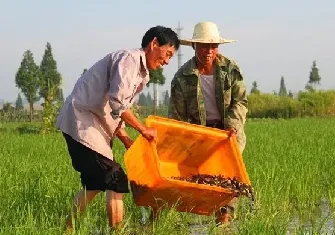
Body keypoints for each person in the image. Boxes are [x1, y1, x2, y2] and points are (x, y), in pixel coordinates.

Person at [56, 25, 179, 231]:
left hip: (93, 124)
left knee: (95, 183)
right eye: (167, 54)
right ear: (154, 44)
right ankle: (117, 230)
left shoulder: (142, 74)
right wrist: (142, 129)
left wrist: (126, 140)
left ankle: (67, 229)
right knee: (116, 178)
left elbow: (118, 111)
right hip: (82, 122)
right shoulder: (130, 59)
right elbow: (117, 102)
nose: (166, 61)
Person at [168, 22, 248, 225]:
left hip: (228, 133)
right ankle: (211, 217)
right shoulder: (182, 77)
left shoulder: (230, 69)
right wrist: (180, 144)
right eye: (203, 46)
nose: (208, 51)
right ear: (194, 47)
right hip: (200, 135)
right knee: (206, 180)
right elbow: (176, 116)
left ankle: (224, 222)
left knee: (229, 177)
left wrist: (232, 125)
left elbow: (240, 101)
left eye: (213, 46)